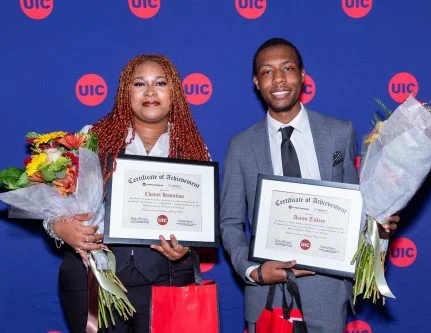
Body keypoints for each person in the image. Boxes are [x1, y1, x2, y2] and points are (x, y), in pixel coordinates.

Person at [219, 38, 399, 333]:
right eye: (267, 72)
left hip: (326, 296)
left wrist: (377, 227)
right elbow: (229, 222)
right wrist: (254, 271)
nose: (278, 79)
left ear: (303, 75)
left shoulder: (339, 133)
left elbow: (354, 209)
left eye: (287, 68)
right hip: (267, 297)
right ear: (256, 82)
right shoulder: (241, 146)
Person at [43, 54, 211, 332]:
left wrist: (187, 245)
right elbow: (51, 201)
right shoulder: (92, 137)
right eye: (138, 84)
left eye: (160, 83)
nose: (150, 92)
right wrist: (60, 227)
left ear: (175, 94)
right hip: (95, 275)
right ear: (125, 92)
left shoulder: (193, 148)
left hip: (164, 276)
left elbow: (202, 217)